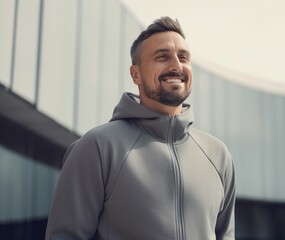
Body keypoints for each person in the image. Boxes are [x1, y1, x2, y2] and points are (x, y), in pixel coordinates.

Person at [45, 16, 235, 240]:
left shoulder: (218, 155)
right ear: (136, 74)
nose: (176, 65)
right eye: (162, 57)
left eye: (183, 57)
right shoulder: (98, 147)